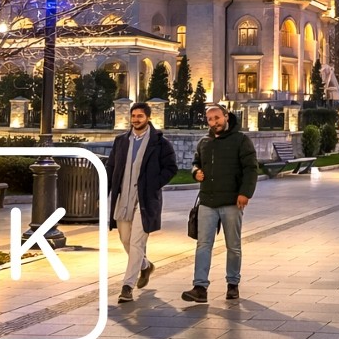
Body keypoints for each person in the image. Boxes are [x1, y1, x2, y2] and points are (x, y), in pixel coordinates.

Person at [182, 104, 258, 303]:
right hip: (207, 201)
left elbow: (251, 169)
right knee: (203, 245)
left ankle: (233, 284)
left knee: (233, 246)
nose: (214, 122)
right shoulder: (204, 142)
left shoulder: (241, 140)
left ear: (226, 116)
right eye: (210, 119)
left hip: (232, 202)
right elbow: (196, 163)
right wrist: (195, 172)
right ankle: (200, 287)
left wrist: (245, 193)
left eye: (217, 118)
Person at [105, 102, 179, 304]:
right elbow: (111, 167)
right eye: (134, 116)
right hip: (123, 199)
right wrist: (105, 191)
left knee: (137, 242)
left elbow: (171, 168)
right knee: (125, 238)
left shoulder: (160, 142)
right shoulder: (121, 141)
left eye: (140, 116)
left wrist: (154, 183)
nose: (136, 119)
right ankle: (145, 266)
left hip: (145, 200)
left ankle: (127, 286)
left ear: (148, 117)